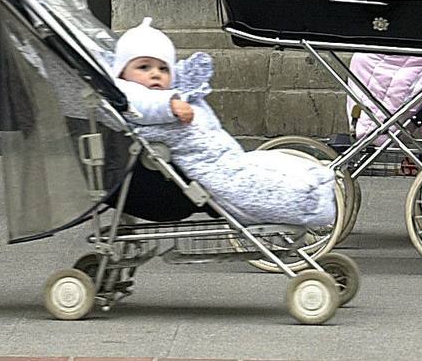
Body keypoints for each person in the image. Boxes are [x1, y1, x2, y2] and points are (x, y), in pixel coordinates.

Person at [113, 18, 337, 228]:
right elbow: (140, 104)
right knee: (255, 187)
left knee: (273, 167)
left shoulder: (171, 93)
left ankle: (315, 189)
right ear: (122, 72)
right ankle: (307, 204)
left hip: (223, 155)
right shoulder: (129, 92)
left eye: (163, 69)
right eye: (144, 67)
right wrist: (168, 105)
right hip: (208, 166)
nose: (155, 74)